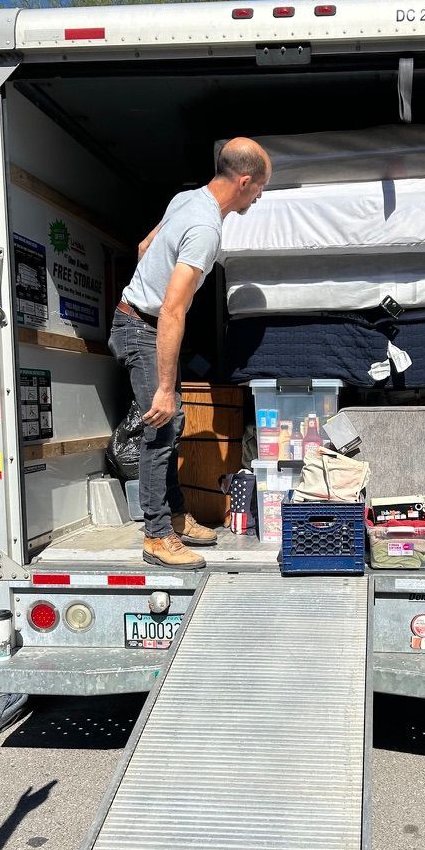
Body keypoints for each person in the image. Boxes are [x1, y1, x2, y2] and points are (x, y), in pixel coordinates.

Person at [109, 137, 272, 569]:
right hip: (145, 326)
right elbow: (173, 308)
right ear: (243, 181)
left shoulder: (186, 199)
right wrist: (164, 386)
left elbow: (146, 248)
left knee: (173, 423)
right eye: (260, 189)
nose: (258, 197)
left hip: (140, 320)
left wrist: (142, 289)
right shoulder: (206, 230)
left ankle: (176, 516)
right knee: (161, 428)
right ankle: (157, 535)